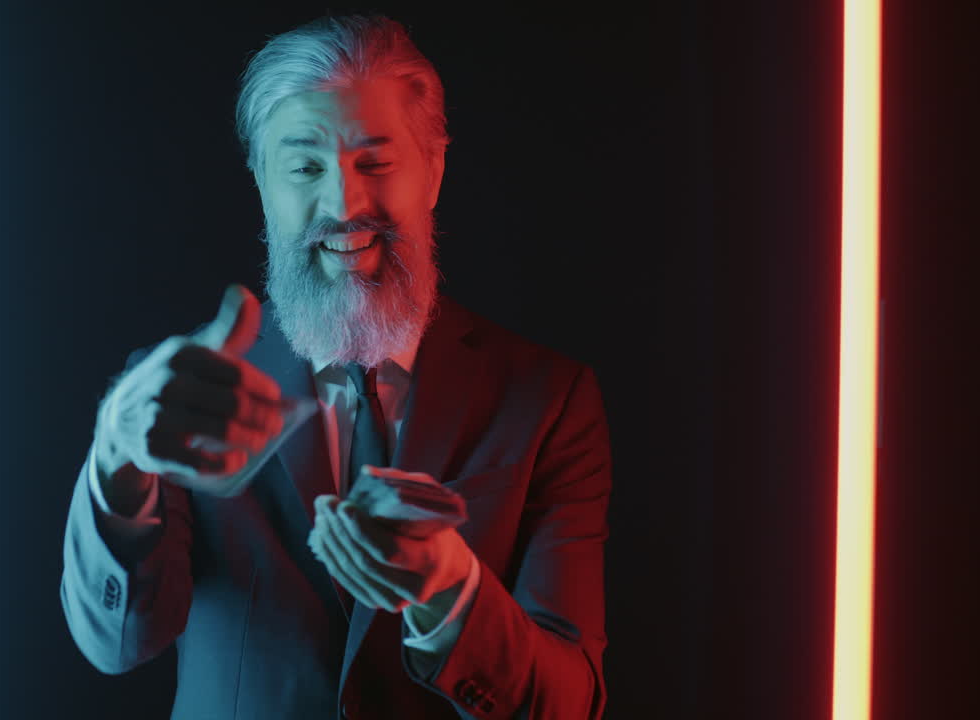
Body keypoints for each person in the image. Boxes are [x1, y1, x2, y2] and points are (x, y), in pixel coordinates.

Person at [60, 14, 611, 719]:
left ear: (434, 170)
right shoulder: (175, 399)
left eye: (375, 164)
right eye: (304, 167)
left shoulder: (548, 400)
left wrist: (449, 589)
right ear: (262, 181)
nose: (344, 204)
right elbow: (118, 643)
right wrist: (115, 456)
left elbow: (570, 705)